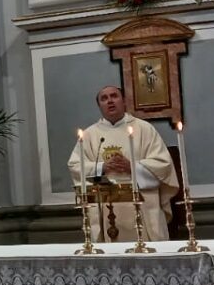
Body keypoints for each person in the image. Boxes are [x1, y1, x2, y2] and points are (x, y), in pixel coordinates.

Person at [67, 85, 178, 242]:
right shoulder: (89, 135)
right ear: (99, 106)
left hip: (142, 206)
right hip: (105, 208)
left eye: (114, 96)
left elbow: (163, 164)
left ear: (124, 101)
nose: (110, 101)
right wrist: (103, 167)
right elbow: (75, 166)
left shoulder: (144, 129)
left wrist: (133, 167)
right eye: (104, 99)